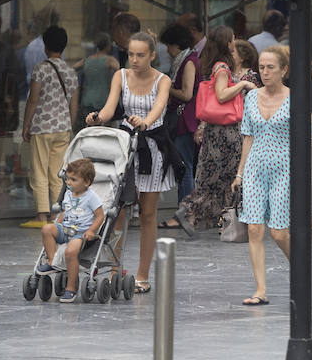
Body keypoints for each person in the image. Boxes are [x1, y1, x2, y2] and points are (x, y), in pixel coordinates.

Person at [85, 31, 178, 292]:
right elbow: (108, 108)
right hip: (125, 147)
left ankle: (142, 275)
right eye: (130, 54)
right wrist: (97, 118)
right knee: (118, 211)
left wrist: (145, 121)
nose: (134, 60)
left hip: (152, 146)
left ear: (151, 55)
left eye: (140, 55)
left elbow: (159, 106)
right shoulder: (120, 76)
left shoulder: (163, 79)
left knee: (148, 214)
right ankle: (116, 272)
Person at [175, 27, 256, 232]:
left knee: (215, 176)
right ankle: (192, 211)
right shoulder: (222, 68)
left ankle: (214, 219)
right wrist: (242, 86)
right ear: (227, 43)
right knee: (226, 177)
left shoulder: (214, 66)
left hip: (215, 131)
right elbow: (221, 95)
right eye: (232, 40)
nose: (234, 43)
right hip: (225, 132)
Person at [232, 46, 291, 305]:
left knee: (279, 233)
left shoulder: (294, 98)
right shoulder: (251, 97)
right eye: (262, 67)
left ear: (284, 70)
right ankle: (260, 290)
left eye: (270, 68)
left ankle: (299, 267)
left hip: (285, 168)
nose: (264, 72)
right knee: (255, 229)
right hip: (255, 167)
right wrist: (240, 173)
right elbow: (248, 136)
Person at [21, 26, 78, 229]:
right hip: (63, 128)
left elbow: (33, 100)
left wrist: (26, 124)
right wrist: (69, 125)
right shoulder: (71, 71)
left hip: (42, 127)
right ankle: (59, 215)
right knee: (57, 173)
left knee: (39, 171)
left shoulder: (41, 68)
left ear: (45, 47)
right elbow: (74, 104)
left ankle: (42, 216)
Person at [40, 158, 104, 304]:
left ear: (86, 182)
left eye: (73, 180)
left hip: (81, 233)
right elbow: (65, 211)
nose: (68, 182)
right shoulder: (68, 194)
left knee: (71, 251)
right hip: (66, 228)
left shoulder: (91, 197)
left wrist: (92, 230)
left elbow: (100, 216)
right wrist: (58, 223)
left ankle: (71, 287)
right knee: (47, 229)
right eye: (67, 179)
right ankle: (52, 262)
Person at [159, 23, 199, 206]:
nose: (167, 50)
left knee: (184, 165)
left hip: (186, 119)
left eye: (169, 45)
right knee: (184, 164)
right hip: (184, 119)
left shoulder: (189, 61)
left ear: (177, 44)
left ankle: (185, 209)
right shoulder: (185, 60)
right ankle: (184, 208)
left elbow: (187, 94)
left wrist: (168, 87)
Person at [78, 34, 119, 130]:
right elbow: (119, 69)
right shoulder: (109, 60)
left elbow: (74, 67)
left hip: (87, 99)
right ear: (108, 45)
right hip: (103, 100)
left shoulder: (87, 60)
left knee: (89, 129)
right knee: (104, 132)